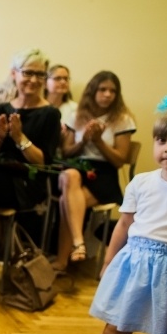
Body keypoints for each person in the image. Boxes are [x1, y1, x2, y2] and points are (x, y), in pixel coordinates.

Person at [56, 104, 167, 334]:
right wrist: (109, 262)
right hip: (136, 267)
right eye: (162, 141)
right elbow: (123, 225)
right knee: (113, 331)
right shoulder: (142, 183)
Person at [0, 48, 62, 241]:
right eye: (28, 73)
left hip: (25, 185)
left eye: (39, 74)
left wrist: (19, 138)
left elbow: (42, 162)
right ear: (14, 74)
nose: (33, 80)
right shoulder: (3, 107)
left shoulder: (50, 114)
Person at [52, 71, 135, 270]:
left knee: (66, 201)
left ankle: (64, 258)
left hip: (104, 173)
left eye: (112, 91)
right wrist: (83, 141)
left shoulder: (122, 119)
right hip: (78, 167)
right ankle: (78, 243)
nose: (107, 94)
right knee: (69, 174)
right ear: (92, 91)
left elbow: (119, 160)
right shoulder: (76, 115)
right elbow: (66, 152)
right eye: (102, 89)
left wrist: (98, 142)